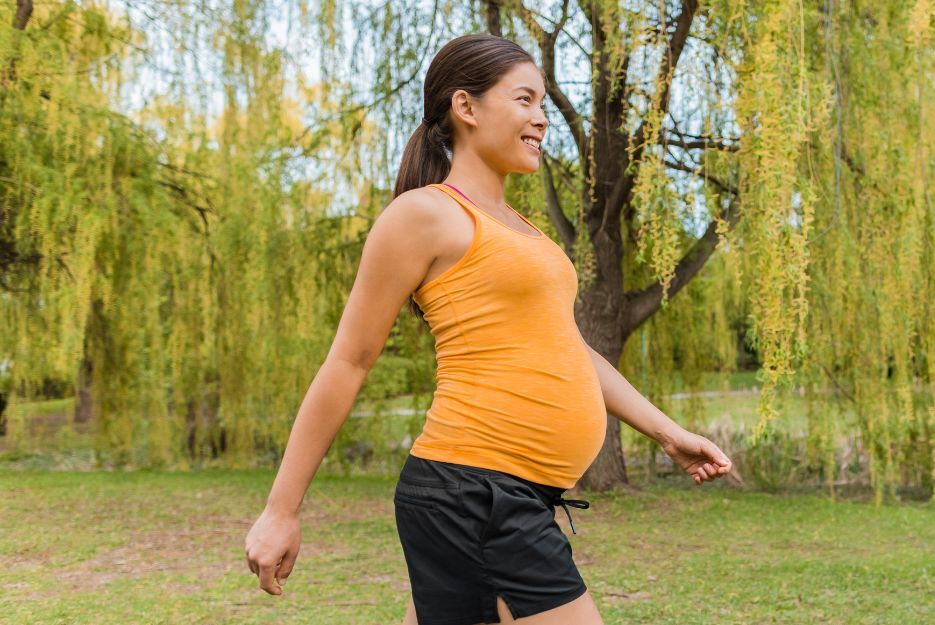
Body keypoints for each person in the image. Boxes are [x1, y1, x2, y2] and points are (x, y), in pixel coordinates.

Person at [244, 33, 733, 625]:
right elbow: (349, 361)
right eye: (525, 100)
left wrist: (667, 431)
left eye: (545, 104)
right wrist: (281, 509)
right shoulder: (425, 214)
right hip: (476, 490)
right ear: (466, 107)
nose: (541, 119)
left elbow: (572, 352)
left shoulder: (526, 232)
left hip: (501, 494)